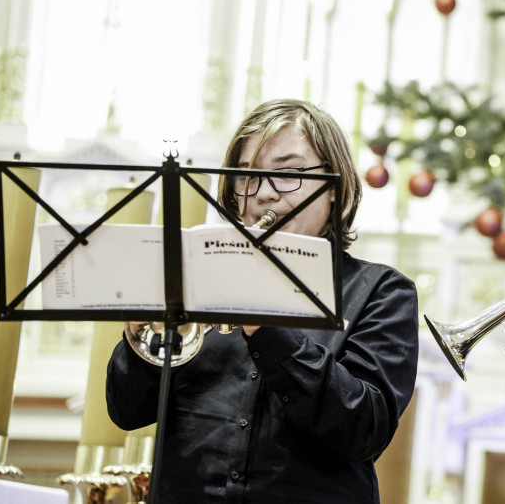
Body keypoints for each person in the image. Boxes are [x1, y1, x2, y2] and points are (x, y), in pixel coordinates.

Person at [105, 99, 419, 503]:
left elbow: (363, 431)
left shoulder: (382, 292)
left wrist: (267, 330)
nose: (264, 194)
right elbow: (127, 412)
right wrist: (142, 339)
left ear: (335, 188)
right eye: (246, 176)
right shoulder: (196, 277)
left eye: (287, 173)